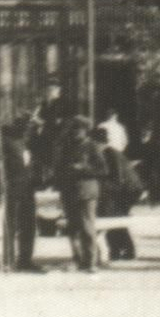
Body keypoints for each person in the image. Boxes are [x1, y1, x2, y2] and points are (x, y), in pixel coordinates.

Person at [53, 116, 108, 272]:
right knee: (73, 228)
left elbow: (103, 170)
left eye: (79, 130)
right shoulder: (67, 147)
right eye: (73, 129)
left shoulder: (92, 147)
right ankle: (78, 259)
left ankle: (91, 262)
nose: (76, 133)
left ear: (85, 131)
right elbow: (60, 168)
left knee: (87, 227)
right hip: (69, 191)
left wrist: (83, 168)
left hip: (86, 192)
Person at [0, 117, 41, 271]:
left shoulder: (27, 144)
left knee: (29, 225)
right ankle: (8, 259)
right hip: (13, 188)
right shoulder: (7, 143)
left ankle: (25, 259)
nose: (29, 131)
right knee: (10, 224)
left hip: (28, 189)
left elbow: (31, 165)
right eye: (27, 128)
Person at [100, 134, 146, 262]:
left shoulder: (110, 154)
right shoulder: (110, 152)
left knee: (113, 217)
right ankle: (123, 250)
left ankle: (120, 250)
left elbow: (118, 178)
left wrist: (103, 188)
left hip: (129, 191)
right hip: (125, 190)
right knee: (116, 217)